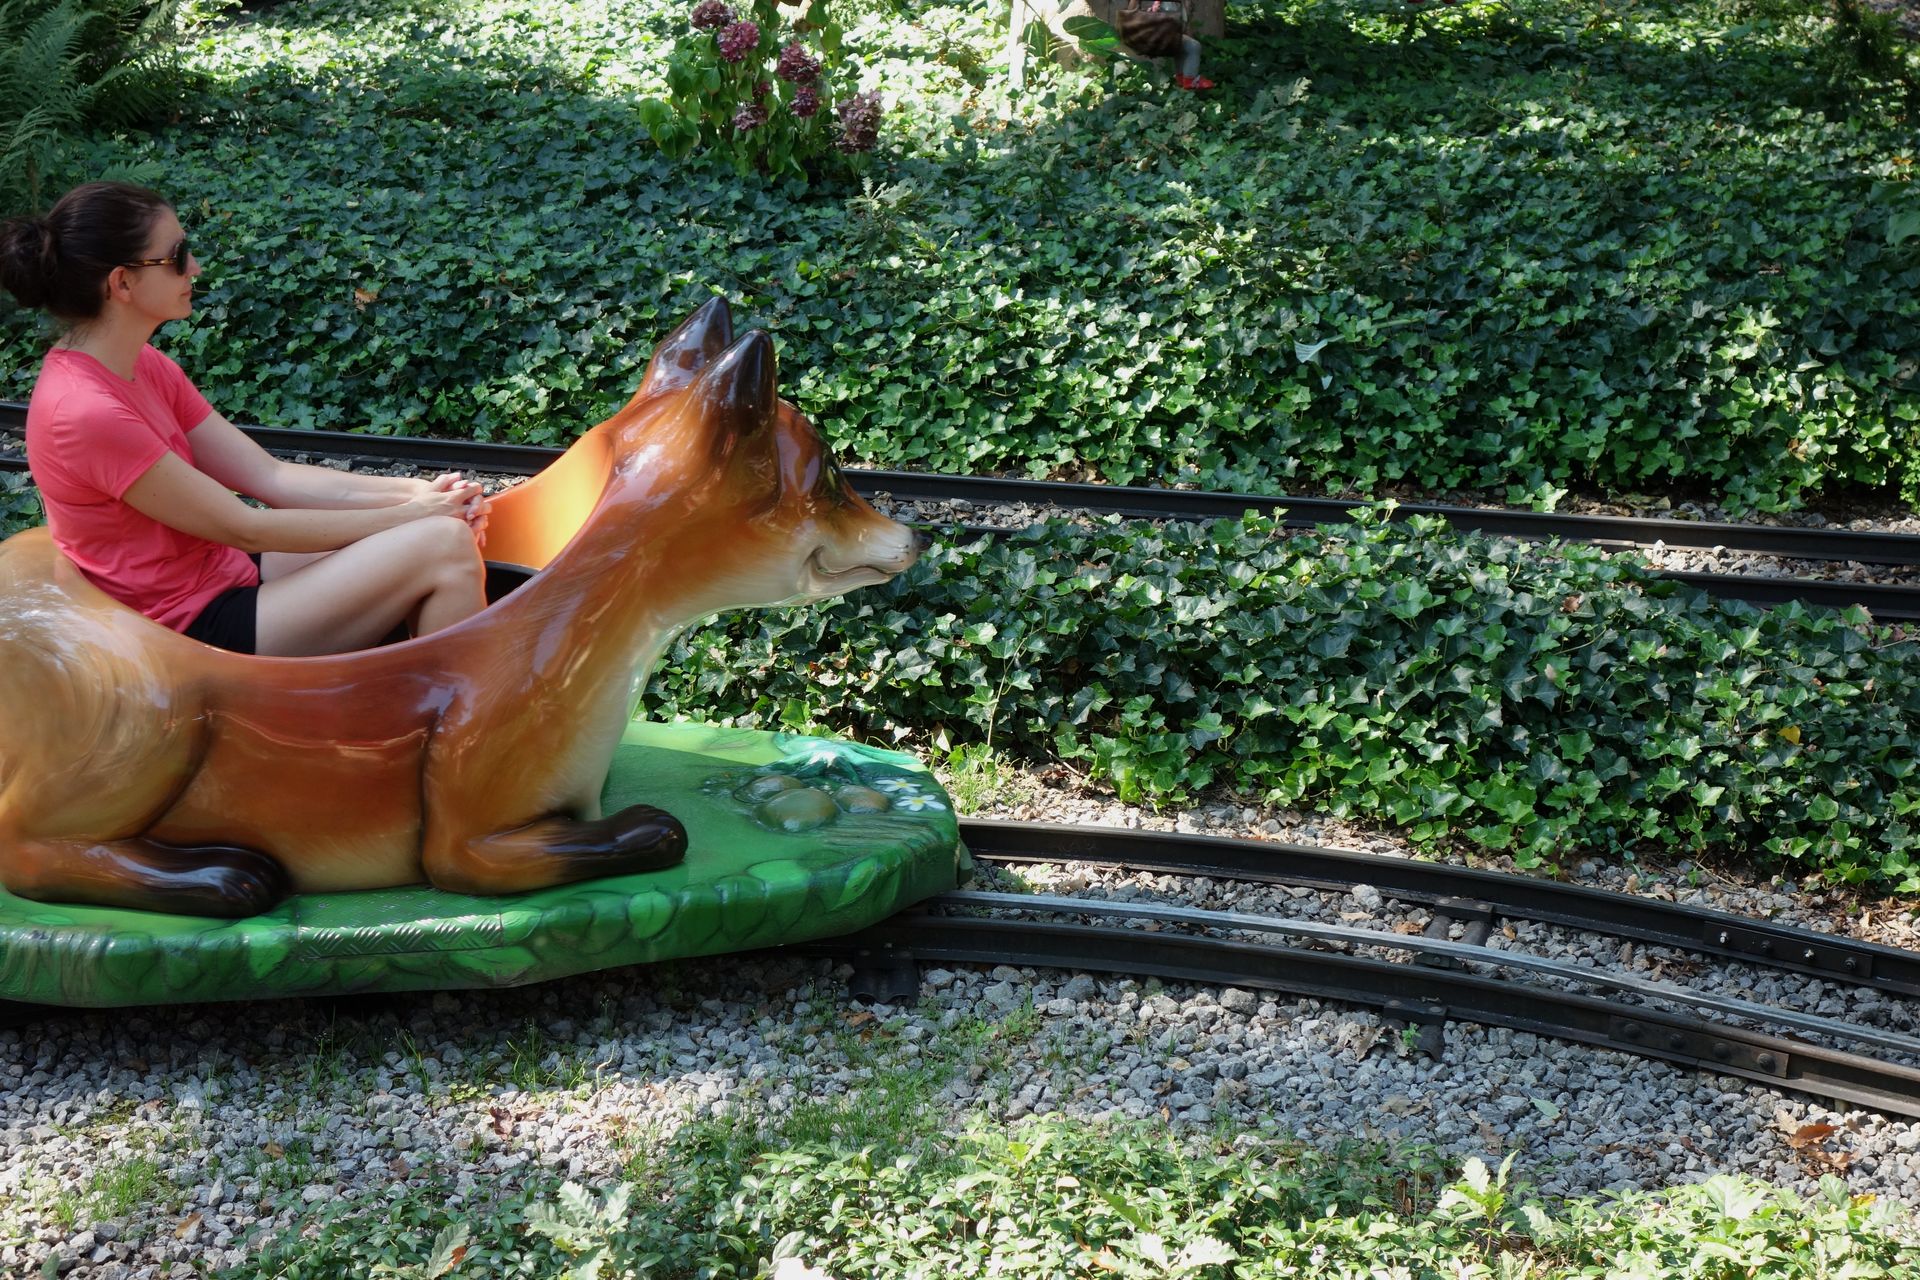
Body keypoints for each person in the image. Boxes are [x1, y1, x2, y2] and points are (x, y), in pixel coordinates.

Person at [0, 182, 491, 656]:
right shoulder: (84, 412)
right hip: (188, 630)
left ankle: (431, 703)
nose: (195, 267)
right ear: (122, 282)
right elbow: (245, 527)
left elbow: (269, 475)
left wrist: (419, 494)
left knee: (439, 529)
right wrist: (414, 516)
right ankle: (457, 712)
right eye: (176, 256)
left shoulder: (142, 364)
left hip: (224, 573)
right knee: (443, 544)